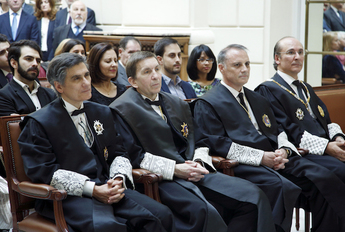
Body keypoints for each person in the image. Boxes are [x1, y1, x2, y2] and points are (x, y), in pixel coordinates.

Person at [110, 51, 277, 232]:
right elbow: (134, 156)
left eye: (157, 69)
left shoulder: (176, 102)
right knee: (205, 211)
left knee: (254, 196)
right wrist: (176, 169)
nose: (155, 76)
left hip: (194, 169)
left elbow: (199, 140)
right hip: (162, 179)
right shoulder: (122, 109)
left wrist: (197, 161)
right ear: (133, 81)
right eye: (146, 72)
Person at [194, 44, 345, 232]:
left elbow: (278, 131)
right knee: (281, 187)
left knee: (323, 178)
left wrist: (284, 150)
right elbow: (217, 143)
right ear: (222, 68)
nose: (244, 69)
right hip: (245, 164)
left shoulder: (256, 98)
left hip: (276, 158)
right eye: (237, 65)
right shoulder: (208, 102)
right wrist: (261, 157)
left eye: (247, 64)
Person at [18, 52, 175, 232]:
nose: (86, 82)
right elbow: (44, 171)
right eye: (77, 78)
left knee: (161, 214)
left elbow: (118, 152)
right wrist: (92, 189)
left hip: (107, 186)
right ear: (59, 86)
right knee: (109, 227)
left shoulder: (102, 112)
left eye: (86, 75)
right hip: (67, 197)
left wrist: (117, 179)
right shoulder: (38, 122)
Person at [255, 37, 345, 229]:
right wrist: (326, 147)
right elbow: (288, 132)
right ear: (277, 59)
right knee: (340, 172)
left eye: (300, 52)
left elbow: (326, 121)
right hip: (302, 153)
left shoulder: (305, 88)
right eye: (290, 52)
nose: (297, 57)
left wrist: (338, 138)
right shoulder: (267, 90)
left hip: (325, 148)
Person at [0, 40, 56, 117]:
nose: (35, 64)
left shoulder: (51, 94)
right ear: (14, 63)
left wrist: (22, 119)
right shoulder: (3, 96)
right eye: (29, 59)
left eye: (38, 61)